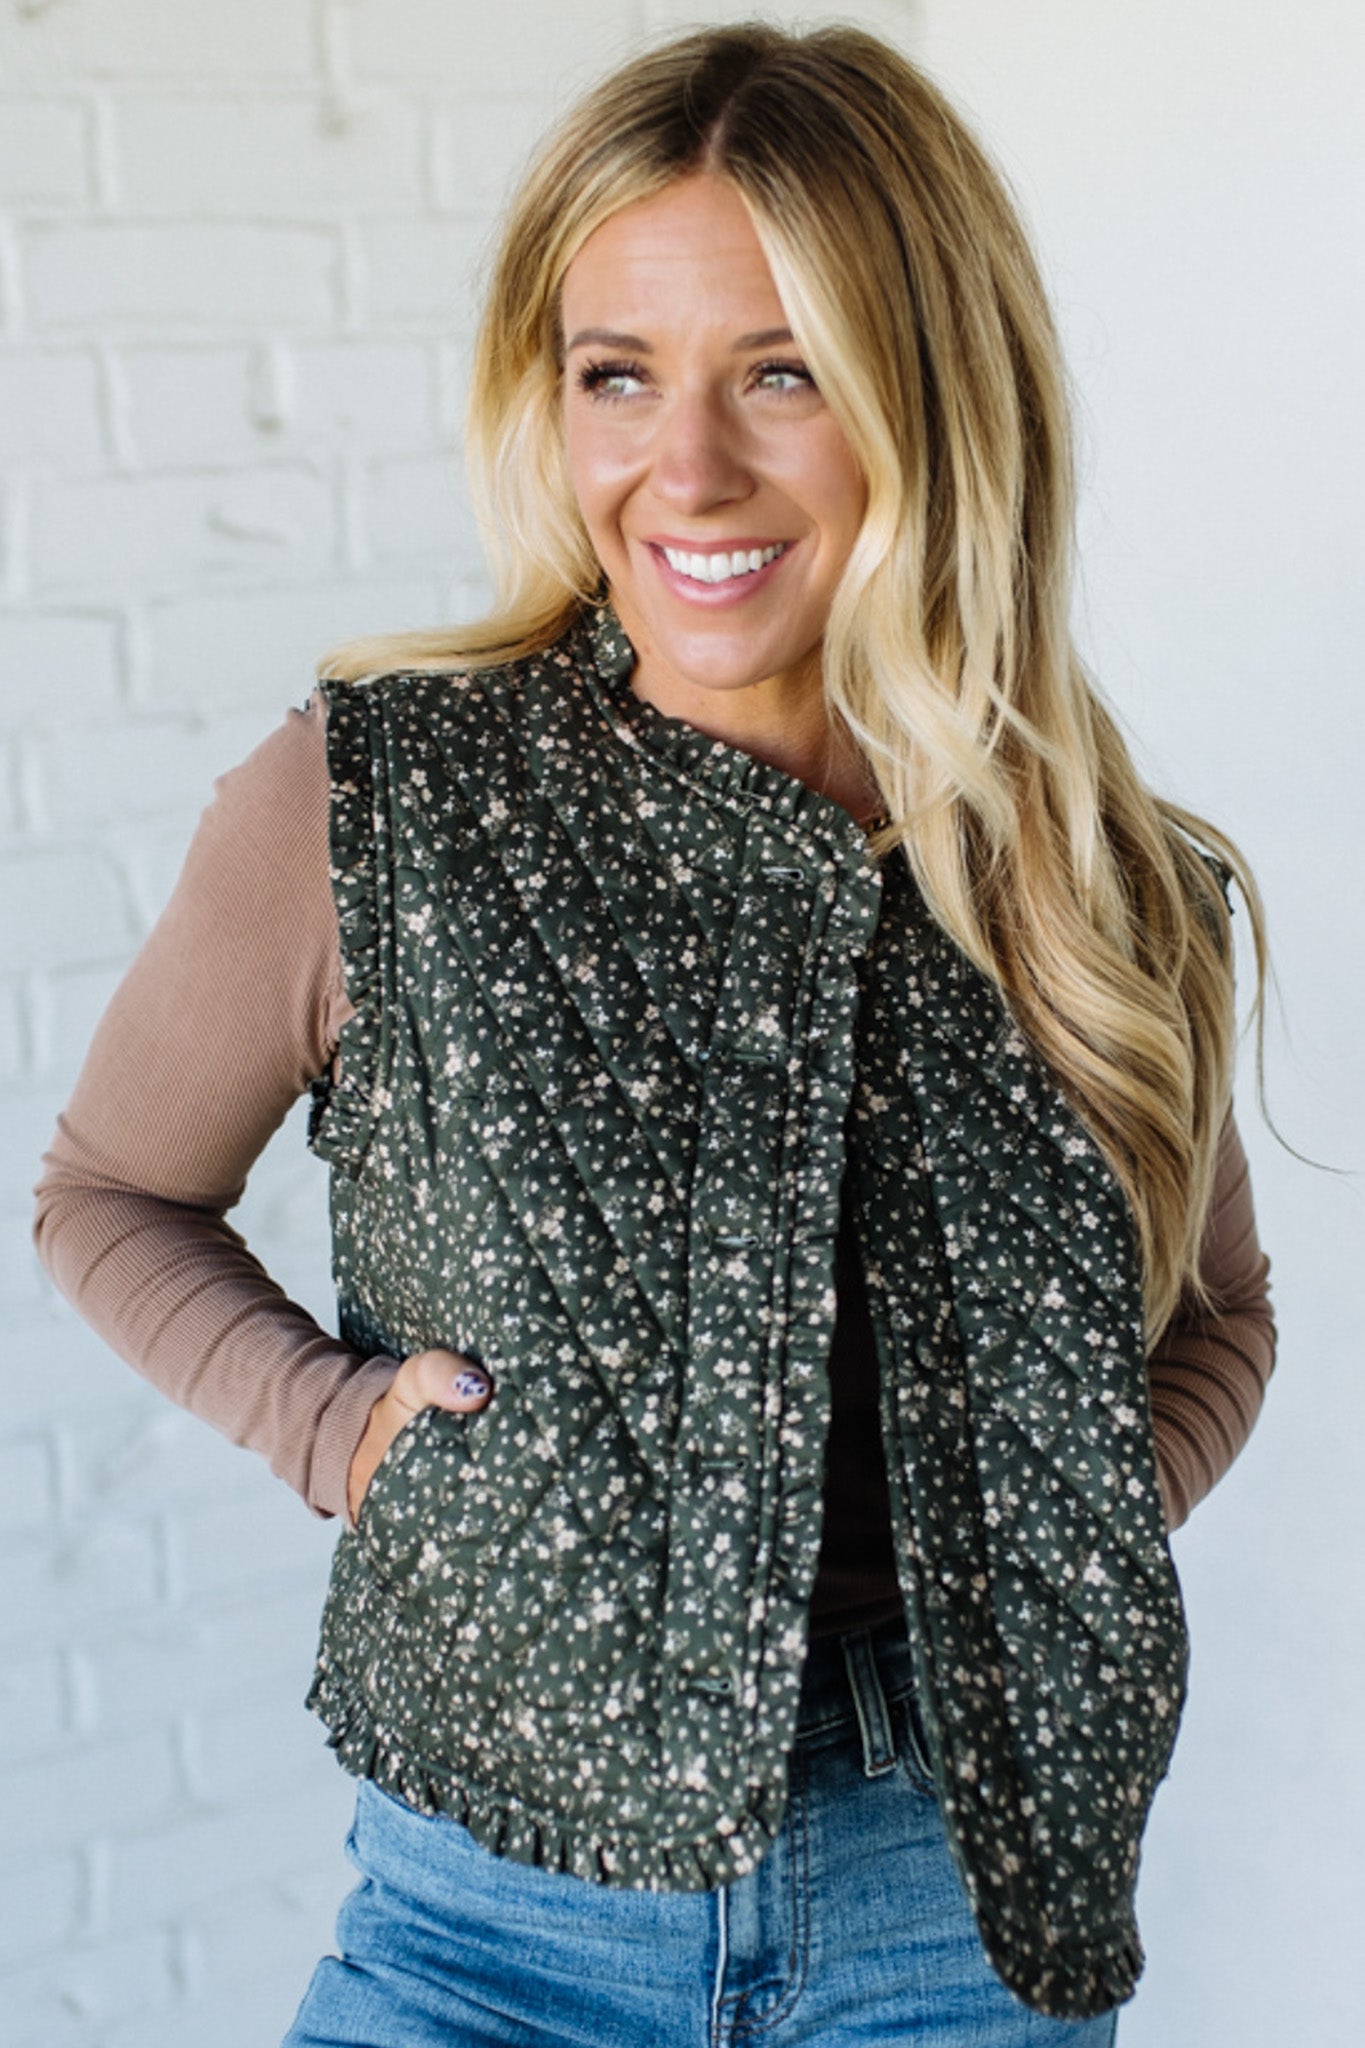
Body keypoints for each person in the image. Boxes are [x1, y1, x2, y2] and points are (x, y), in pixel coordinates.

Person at [33, 22, 1276, 2047]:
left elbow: (1218, 1312)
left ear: (930, 391)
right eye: (616, 373)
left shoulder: (1096, 879)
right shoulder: (378, 807)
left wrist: (1065, 1507)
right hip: (486, 1927)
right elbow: (106, 1195)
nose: (682, 471)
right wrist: (324, 1422)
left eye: (778, 371)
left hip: (956, 1918)